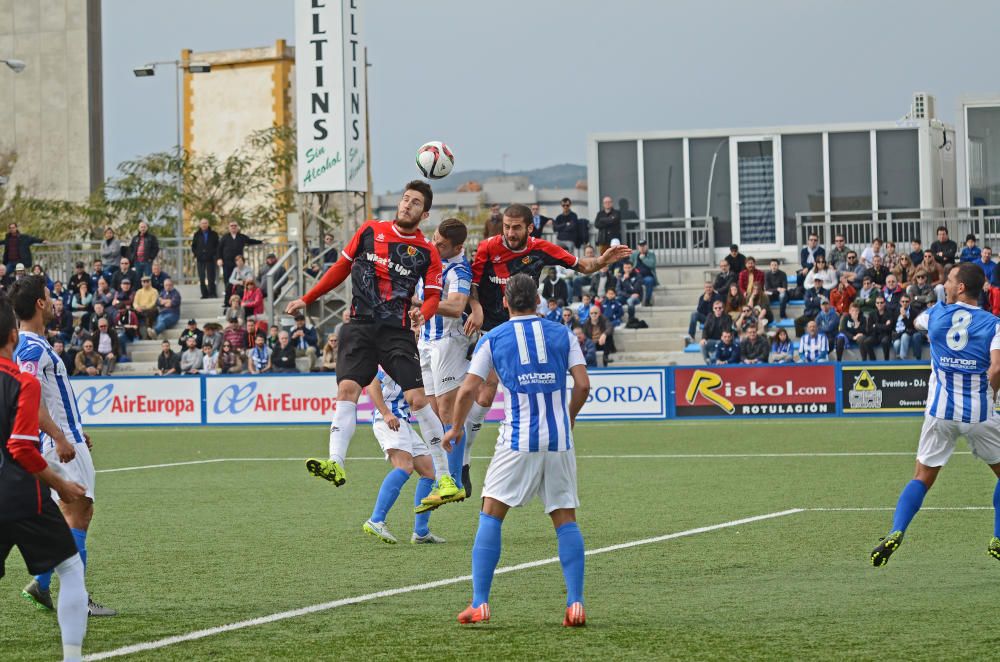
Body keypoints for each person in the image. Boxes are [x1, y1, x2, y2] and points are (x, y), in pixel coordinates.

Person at [284, 181, 457, 501]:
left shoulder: (426, 252)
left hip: (396, 331)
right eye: (405, 199)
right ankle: (335, 463)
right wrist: (307, 298)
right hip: (360, 325)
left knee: (418, 400)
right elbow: (340, 268)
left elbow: (432, 296)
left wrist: (425, 315)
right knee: (347, 392)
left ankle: (446, 478)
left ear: (425, 213)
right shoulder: (369, 230)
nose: (407, 205)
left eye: (415, 203)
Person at [441, 272, 590, 627]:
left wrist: (456, 428)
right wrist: (567, 418)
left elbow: (466, 391)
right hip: (559, 441)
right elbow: (583, 385)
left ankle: (480, 603)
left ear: (505, 303)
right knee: (564, 518)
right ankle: (575, 604)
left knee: (491, 512)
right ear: (538, 302)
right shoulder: (562, 333)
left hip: (518, 438)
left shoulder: (493, 338)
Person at [462, 203, 630, 476]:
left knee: (524, 385)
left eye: (516, 227)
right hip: (491, 328)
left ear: (530, 227)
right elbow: (472, 284)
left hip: (523, 325)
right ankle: (465, 459)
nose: (510, 232)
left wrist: (601, 261)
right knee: (486, 390)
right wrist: (477, 309)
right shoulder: (488, 247)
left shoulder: (541, 248)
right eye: (506, 226)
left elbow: (582, 266)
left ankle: (531, 443)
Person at [870, 262, 1000, 567]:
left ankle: (896, 531)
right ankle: (997, 536)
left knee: (922, 478)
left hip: (940, 411)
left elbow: (917, 323)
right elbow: (996, 367)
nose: (946, 284)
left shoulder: (936, 314)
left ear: (962, 288)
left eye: (951, 280)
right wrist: (991, 393)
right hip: (979, 413)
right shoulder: (995, 324)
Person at [10, 276, 115, 616]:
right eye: (49, 295)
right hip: (58, 445)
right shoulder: (29, 347)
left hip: (65, 439)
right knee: (78, 514)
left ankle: (41, 584)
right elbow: (29, 395)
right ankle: (76, 600)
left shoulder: (37, 345)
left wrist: (70, 432)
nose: (55, 300)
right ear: (40, 304)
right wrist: (58, 436)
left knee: (74, 513)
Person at [0, 295, 90, 661]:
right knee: (70, 568)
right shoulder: (23, 383)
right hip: (23, 497)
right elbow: (21, 449)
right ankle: (72, 657)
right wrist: (61, 484)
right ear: (12, 334)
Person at [415, 218, 474, 498]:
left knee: (448, 412)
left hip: (448, 343)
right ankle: (445, 478)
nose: (435, 245)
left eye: (442, 244)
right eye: (435, 239)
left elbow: (456, 306)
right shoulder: (430, 260)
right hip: (425, 342)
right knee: (434, 414)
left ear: (458, 247)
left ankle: (456, 482)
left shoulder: (459, 270)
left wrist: (419, 304)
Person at [362, 368, 446, 545]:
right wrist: (385, 412)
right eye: (416, 336)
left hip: (404, 422)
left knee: (429, 471)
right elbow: (372, 383)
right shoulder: (393, 359)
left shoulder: (418, 360)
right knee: (404, 467)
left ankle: (421, 532)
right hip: (390, 421)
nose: (418, 338)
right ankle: (376, 520)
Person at [217, 221, 263, 288]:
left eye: (235, 226)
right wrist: (219, 258)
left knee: (239, 277)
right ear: (229, 228)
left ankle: (238, 292)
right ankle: (228, 292)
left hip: (238, 261)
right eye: (231, 226)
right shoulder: (224, 237)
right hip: (227, 261)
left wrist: (261, 242)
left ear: (237, 227)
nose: (233, 227)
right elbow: (219, 248)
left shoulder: (241, 237)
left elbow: (250, 241)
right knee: (227, 276)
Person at [191, 216, 220, 298]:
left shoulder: (214, 234)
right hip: (200, 259)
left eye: (205, 223)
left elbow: (217, 246)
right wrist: (197, 254)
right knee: (202, 278)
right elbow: (193, 246)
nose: (204, 225)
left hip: (211, 258)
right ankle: (204, 294)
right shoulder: (196, 234)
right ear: (200, 225)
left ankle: (212, 294)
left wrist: (214, 255)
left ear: (208, 224)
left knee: (211, 277)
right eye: (202, 223)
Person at [861, 297, 893, 361]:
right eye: (877, 303)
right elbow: (869, 329)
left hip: (886, 335)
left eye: (881, 302)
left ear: (884, 303)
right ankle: (873, 361)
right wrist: (883, 326)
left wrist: (876, 325)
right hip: (875, 335)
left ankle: (886, 361)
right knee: (866, 342)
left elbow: (889, 328)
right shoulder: (872, 314)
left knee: (885, 341)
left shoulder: (890, 313)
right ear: (875, 304)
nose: (879, 304)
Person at [891, 295, 922, 360]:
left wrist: (904, 317)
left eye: (906, 301)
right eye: (903, 301)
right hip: (898, 335)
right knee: (896, 344)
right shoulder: (896, 311)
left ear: (910, 302)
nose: (904, 303)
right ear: (900, 302)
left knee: (905, 336)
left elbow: (912, 327)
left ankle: (903, 358)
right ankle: (898, 360)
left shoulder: (914, 311)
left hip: (909, 333)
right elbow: (893, 325)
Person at [630, 239, 658, 305]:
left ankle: (647, 301)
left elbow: (652, 264)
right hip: (636, 276)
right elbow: (629, 265)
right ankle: (634, 301)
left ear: (647, 246)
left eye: (643, 246)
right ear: (638, 247)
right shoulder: (634, 255)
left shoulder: (651, 255)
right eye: (640, 246)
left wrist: (643, 258)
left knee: (649, 281)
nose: (642, 248)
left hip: (647, 276)